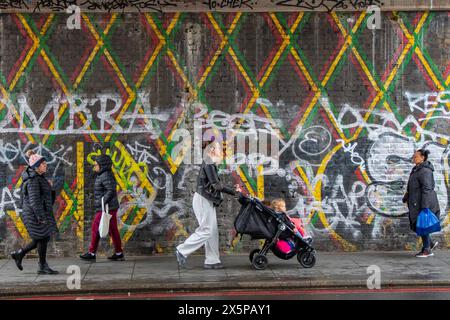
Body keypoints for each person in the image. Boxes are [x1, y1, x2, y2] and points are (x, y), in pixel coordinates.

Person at [175, 140, 240, 269]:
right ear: (212, 150)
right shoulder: (209, 162)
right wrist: (234, 192)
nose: (221, 151)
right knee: (206, 230)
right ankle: (182, 250)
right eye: (218, 148)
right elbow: (216, 185)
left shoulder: (210, 163)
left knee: (213, 231)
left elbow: (215, 184)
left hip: (207, 199)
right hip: (203, 199)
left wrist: (232, 189)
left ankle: (212, 260)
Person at [10, 150, 59, 274]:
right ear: (36, 167)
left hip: (36, 213)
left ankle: (20, 254)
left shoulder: (39, 178)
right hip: (32, 214)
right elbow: (34, 201)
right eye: (43, 164)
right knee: (43, 237)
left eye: (46, 164)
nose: (46, 166)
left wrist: (50, 188)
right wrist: (40, 217)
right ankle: (41, 265)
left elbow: (47, 198)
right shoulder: (33, 180)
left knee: (42, 237)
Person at [80, 154, 124, 261]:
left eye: (96, 165)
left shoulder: (105, 175)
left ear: (102, 165)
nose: (94, 167)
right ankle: (119, 253)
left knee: (96, 228)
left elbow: (111, 189)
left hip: (106, 207)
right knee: (113, 230)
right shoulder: (103, 174)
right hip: (109, 207)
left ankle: (91, 253)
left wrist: (102, 201)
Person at [403, 149, 440, 258]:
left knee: (422, 225)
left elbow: (427, 189)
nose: (414, 158)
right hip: (416, 202)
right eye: (413, 157)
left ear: (423, 157)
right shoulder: (417, 169)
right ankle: (429, 244)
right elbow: (413, 186)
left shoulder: (425, 171)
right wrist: (406, 196)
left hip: (423, 203)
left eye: (416, 157)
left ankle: (427, 250)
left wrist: (425, 206)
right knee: (419, 225)